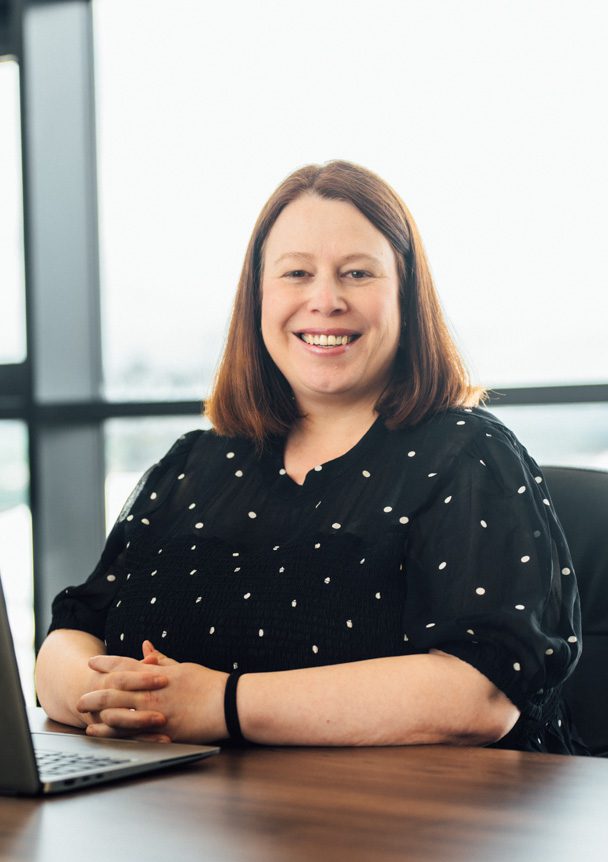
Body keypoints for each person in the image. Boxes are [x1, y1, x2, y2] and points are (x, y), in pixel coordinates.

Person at [35, 160, 584, 754]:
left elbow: (480, 695)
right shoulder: (194, 465)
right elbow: (71, 638)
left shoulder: (471, 454)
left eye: (357, 273)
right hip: (191, 821)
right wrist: (117, 700)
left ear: (405, 296)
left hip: (416, 830)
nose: (325, 300)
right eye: (296, 273)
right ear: (259, 297)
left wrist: (216, 703)